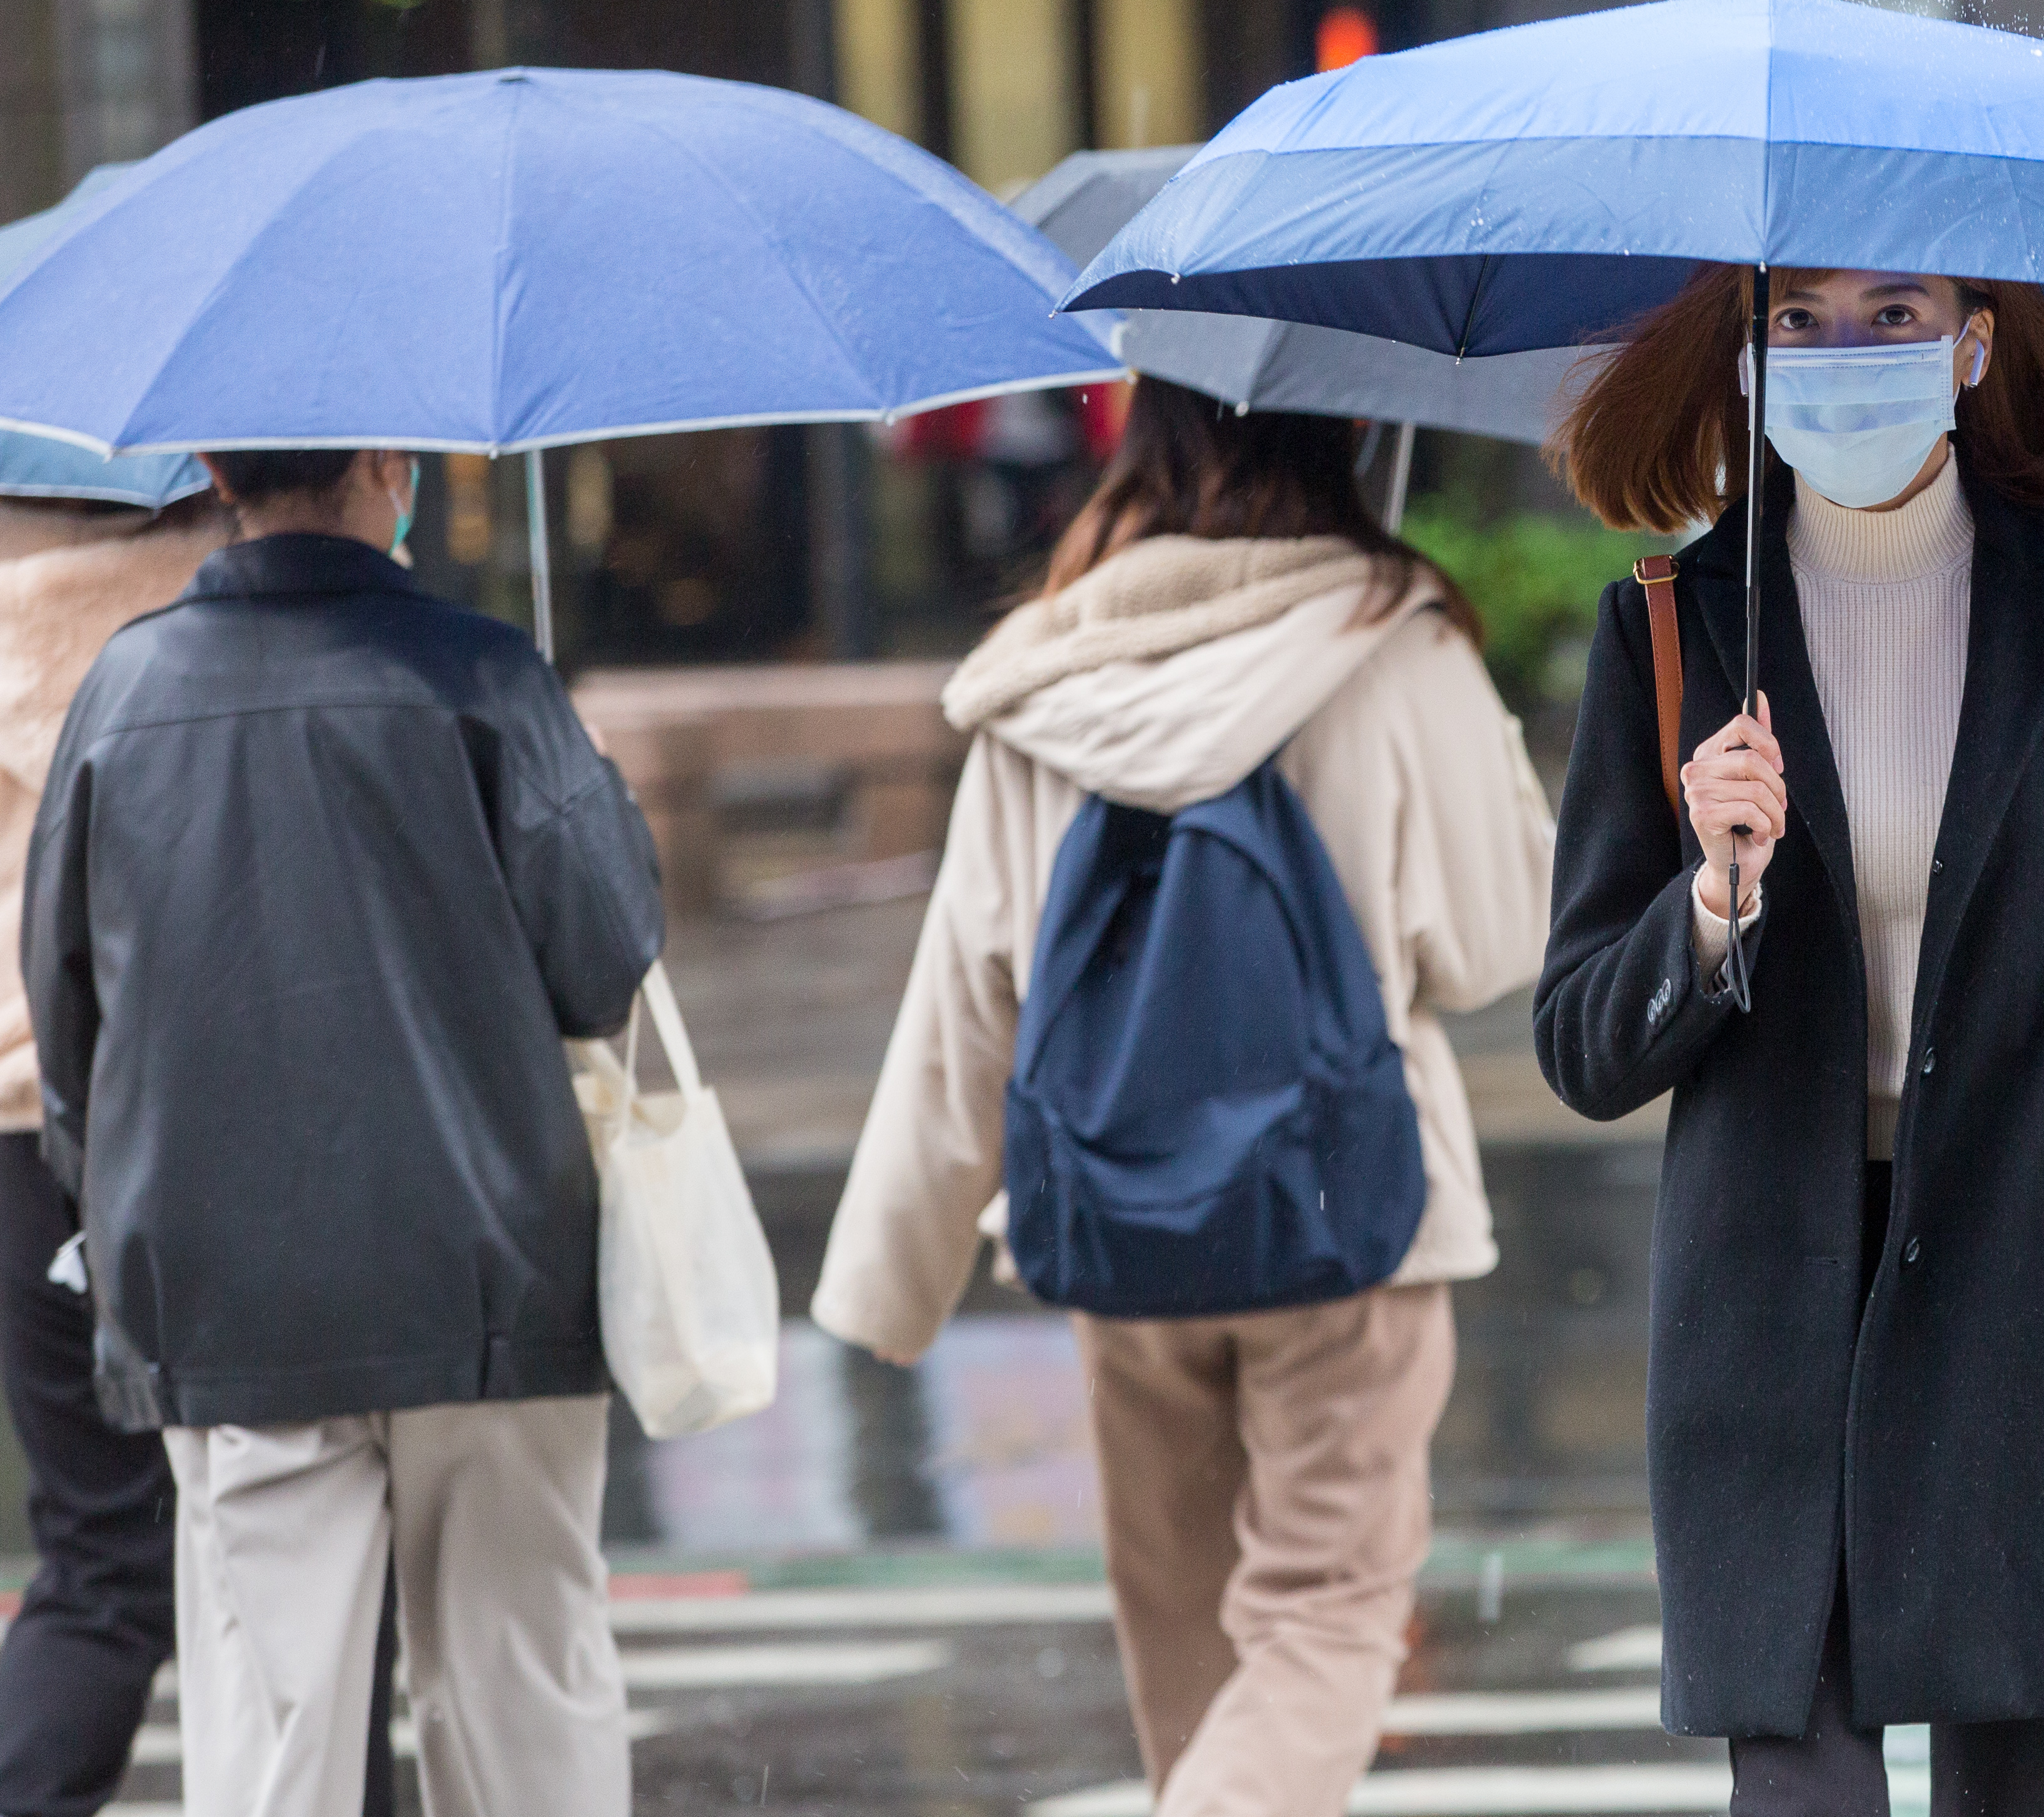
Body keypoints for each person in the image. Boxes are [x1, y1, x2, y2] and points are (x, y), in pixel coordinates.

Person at [1534, 268, 2044, 1816]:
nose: (1845, 355)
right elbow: (1580, 1037)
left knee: (2010, 1793)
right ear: (1747, 360)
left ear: (1971, 347)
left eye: (1893, 317)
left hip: (2027, 1291)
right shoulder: (1671, 628)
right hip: (1767, 1317)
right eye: (1800, 321)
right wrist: (1708, 900)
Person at [814, 380, 1552, 1817]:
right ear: (1346, 428)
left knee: (1184, 1632)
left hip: (1111, 1217)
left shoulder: (1042, 671)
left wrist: (888, 1280)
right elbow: (1489, 944)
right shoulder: (1389, 648)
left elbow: (974, 996)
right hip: (1351, 1215)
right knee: (1327, 1607)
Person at [23, 448, 665, 1817]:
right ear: (390, 466)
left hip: (230, 1300)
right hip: (496, 1274)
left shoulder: (123, 695)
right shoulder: (485, 672)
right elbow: (606, 958)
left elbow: (67, 1005)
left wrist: (115, 1198)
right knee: (522, 1698)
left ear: (211, 470)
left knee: (276, 1731)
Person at [0, 487, 223, 1817]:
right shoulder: (242, 604)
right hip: (220, 1116)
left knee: (99, 1556)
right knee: (317, 1543)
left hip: (21, 1122)